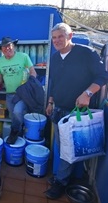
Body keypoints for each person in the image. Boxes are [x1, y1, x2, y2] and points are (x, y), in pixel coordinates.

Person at [44, 22, 108, 200]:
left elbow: (103, 76)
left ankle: (62, 182)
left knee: (70, 148)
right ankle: (63, 177)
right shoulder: (56, 58)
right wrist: (50, 102)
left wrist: (87, 93)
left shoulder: (85, 53)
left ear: (70, 36)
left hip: (78, 112)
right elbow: (54, 82)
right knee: (62, 146)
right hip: (59, 110)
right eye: (54, 37)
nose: (57, 40)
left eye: (60, 36)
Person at [0, 37, 37, 144]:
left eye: (9, 46)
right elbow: (0, 76)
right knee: (14, 118)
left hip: (22, 94)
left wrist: (30, 85)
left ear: (13, 46)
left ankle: (14, 134)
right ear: (1, 49)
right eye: (4, 47)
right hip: (10, 95)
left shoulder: (23, 57)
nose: (7, 49)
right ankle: (20, 137)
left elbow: (33, 72)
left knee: (17, 112)